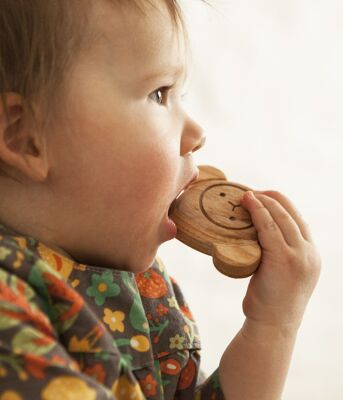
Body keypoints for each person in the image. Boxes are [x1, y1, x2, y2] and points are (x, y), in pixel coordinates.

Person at [0, 1, 321, 399]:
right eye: (159, 93)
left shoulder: (145, 285)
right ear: (26, 136)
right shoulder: (10, 314)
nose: (197, 133)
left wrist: (273, 325)